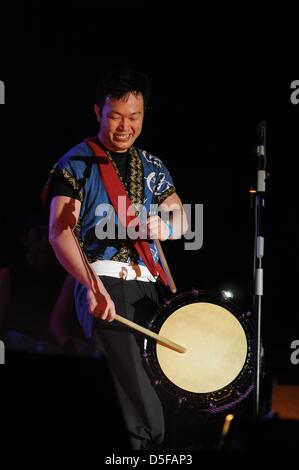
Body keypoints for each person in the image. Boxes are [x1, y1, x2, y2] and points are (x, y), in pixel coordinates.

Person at [43, 68, 188, 449]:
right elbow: (60, 232)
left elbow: (181, 216)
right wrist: (91, 286)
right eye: (115, 115)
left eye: (134, 116)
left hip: (151, 289)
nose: (125, 126)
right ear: (98, 112)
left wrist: (166, 228)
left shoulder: (154, 166)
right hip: (106, 284)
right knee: (138, 410)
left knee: (165, 394)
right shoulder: (76, 162)